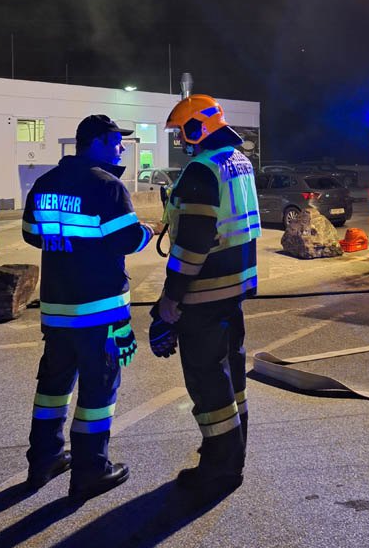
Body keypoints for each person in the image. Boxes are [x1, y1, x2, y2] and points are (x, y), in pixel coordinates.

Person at [22, 115, 154, 500]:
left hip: (57, 311)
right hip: (99, 312)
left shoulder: (45, 183)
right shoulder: (106, 186)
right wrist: (148, 231)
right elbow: (127, 240)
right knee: (98, 393)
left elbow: (31, 234)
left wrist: (66, 241)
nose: (121, 147)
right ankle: (91, 470)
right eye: (116, 141)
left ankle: (44, 459)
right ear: (95, 142)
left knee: (53, 389)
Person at [157, 94, 261, 500]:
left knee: (207, 381)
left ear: (197, 127)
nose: (181, 141)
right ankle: (233, 456)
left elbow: (193, 243)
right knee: (231, 376)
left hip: (205, 292)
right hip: (235, 288)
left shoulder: (202, 169)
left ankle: (220, 468)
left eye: (182, 132)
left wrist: (171, 297)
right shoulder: (238, 160)